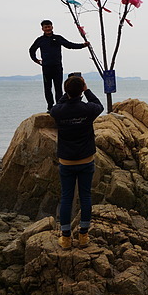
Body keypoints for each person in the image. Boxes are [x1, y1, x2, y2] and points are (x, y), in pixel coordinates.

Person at [49, 75, 104, 249]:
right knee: (85, 196)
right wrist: (86, 90)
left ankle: (65, 238)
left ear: (66, 91)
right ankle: (83, 236)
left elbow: (57, 105)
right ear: (82, 90)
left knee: (66, 197)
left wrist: (69, 92)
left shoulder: (58, 111)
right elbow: (99, 105)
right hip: (86, 159)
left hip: (66, 161)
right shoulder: (88, 109)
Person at [29, 19, 89, 112]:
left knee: (58, 88)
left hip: (57, 67)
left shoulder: (58, 38)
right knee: (47, 88)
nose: (48, 28)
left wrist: (82, 45)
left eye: (49, 26)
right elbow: (32, 50)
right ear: (42, 29)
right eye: (45, 27)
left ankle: (59, 106)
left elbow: (69, 45)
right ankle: (50, 107)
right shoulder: (40, 40)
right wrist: (35, 60)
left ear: (52, 27)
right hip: (46, 68)